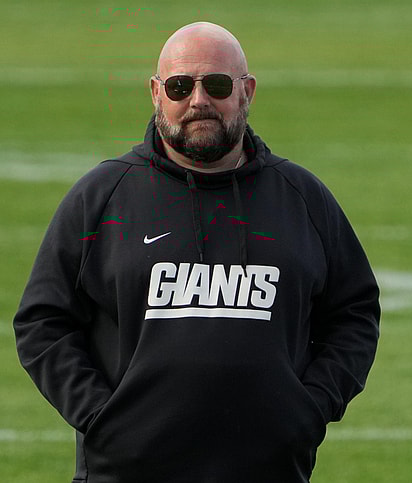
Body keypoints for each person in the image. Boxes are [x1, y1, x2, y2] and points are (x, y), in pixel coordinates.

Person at [14, 22, 380, 483]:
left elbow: (354, 313)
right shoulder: (102, 196)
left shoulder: (302, 197)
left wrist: (309, 410)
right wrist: (101, 418)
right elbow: (42, 322)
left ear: (247, 91)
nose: (198, 101)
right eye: (180, 86)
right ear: (155, 93)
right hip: (125, 473)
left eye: (218, 85)